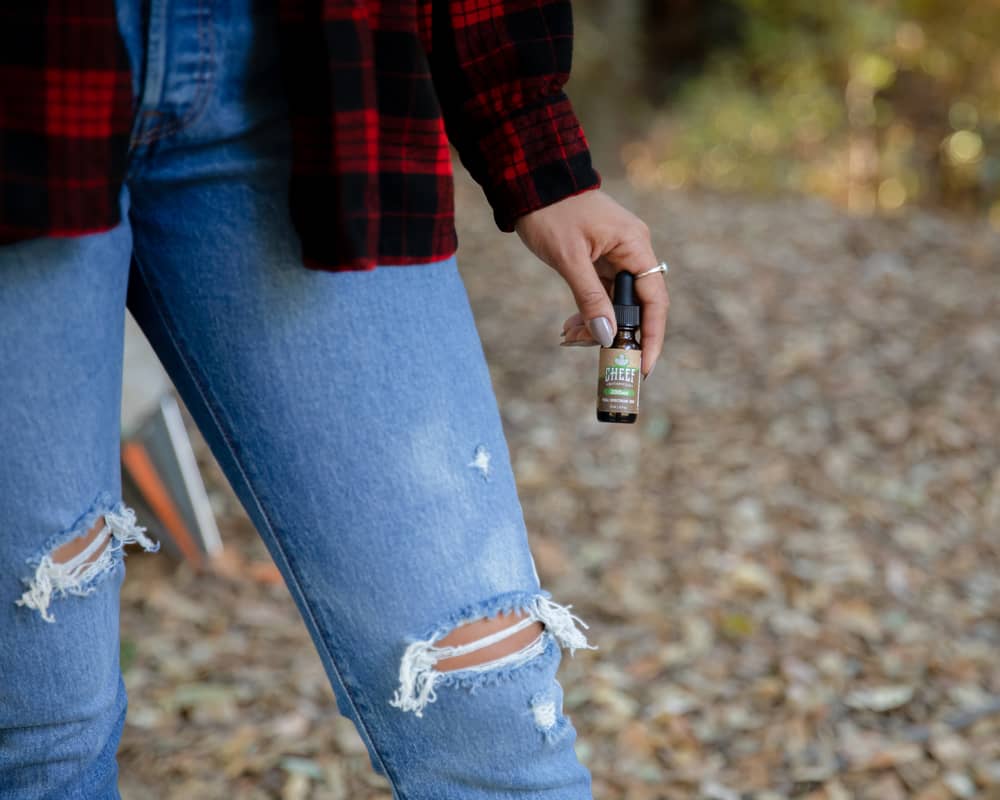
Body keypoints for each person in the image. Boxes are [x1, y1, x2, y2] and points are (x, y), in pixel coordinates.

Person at [0, 0, 669, 797]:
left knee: (494, 718)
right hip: (30, 69)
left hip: (327, 80)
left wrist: (531, 132)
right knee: (38, 735)